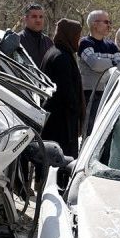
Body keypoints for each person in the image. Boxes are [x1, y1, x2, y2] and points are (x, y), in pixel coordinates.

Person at [40, 19, 84, 158]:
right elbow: (66, 91)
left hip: (55, 119)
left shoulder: (55, 52)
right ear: (69, 35)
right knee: (62, 161)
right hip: (61, 122)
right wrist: (76, 109)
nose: (79, 40)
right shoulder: (61, 57)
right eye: (77, 36)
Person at [78, 10, 120, 134]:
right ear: (94, 24)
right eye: (106, 22)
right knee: (90, 131)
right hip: (89, 95)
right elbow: (95, 64)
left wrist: (105, 63)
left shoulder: (111, 45)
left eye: (109, 22)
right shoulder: (85, 43)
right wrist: (113, 63)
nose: (109, 25)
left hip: (108, 93)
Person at [17, 3, 53, 69]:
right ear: (26, 19)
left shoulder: (48, 42)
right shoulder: (18, 40)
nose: (38, 20)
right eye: (34, 16)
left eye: (41, 17)